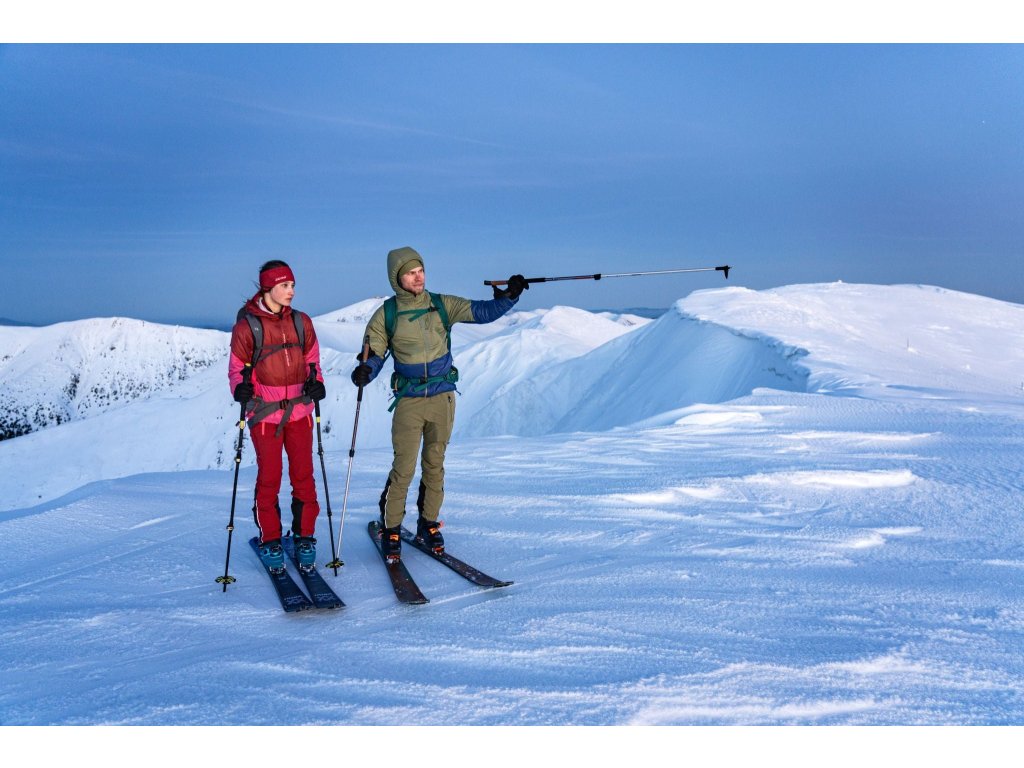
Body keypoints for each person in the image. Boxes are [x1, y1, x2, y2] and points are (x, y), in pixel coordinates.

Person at [351, 247, 527, 562]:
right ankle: (392, 528)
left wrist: (510, 296)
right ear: (396, 277)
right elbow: (374, 352)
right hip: (409, 400)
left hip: (443, 398)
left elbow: (482, 312)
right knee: (403, 468)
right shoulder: (387, 315)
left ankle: (428, 524)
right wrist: (366, 371)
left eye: (420, 270)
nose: (418, 277)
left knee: (435, 464)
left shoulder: (442, 304)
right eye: (410, 272)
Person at [228, 260, 327, 574]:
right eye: (284, 285)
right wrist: (240, 389)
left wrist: (317, 383)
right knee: (269, 478)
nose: (291, 291)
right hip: (265, 414)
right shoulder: (247, 327)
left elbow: (312, 361)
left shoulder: (301, 322)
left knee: (303, 477)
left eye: (292, 285)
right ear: (268, 287)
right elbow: (236, 369)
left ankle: (304, 538)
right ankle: (270, 540)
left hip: (300, 411)